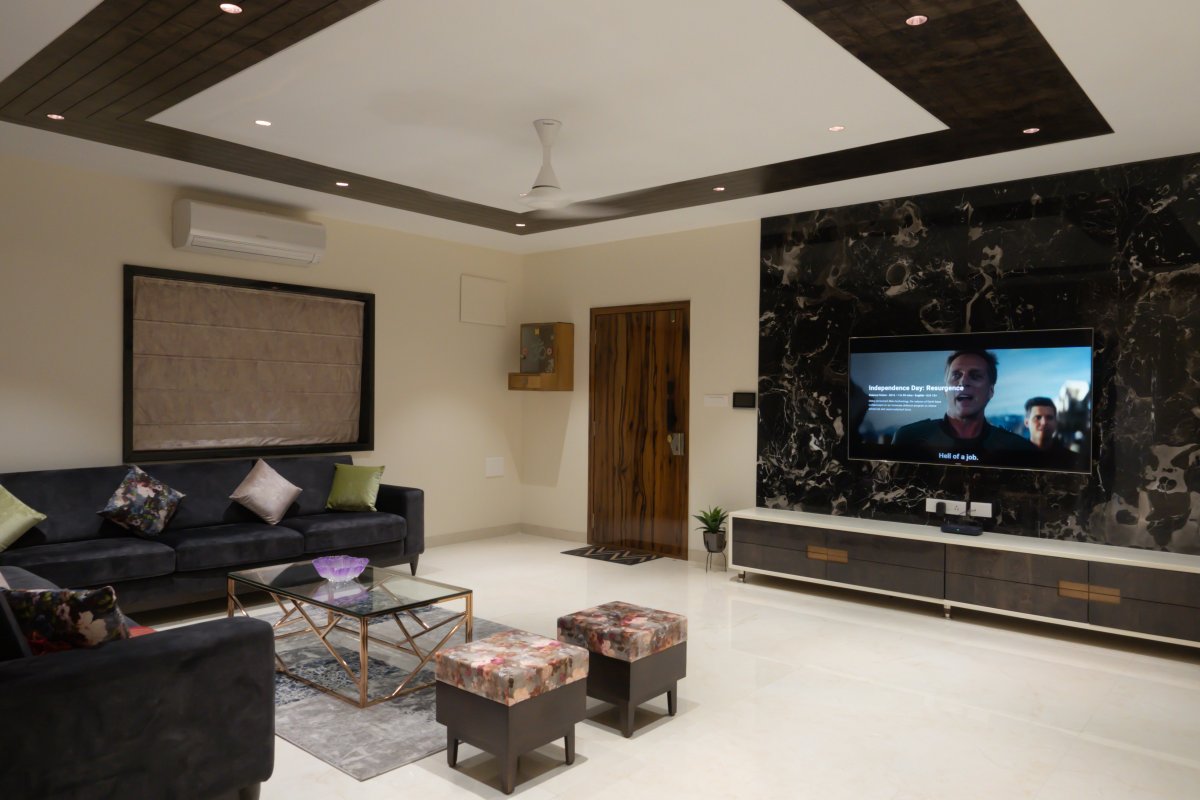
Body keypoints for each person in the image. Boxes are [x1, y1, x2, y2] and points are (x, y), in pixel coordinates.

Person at [891, 350, 1035, 461]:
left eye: (975, 376)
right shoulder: (908, 438)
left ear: (990, 391)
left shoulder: (1018, 448)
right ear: (945, 390)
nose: (963, 382)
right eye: (956, 375)